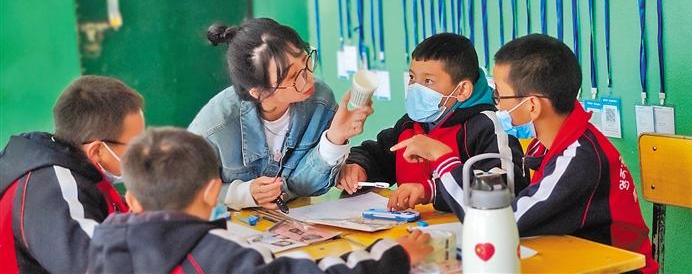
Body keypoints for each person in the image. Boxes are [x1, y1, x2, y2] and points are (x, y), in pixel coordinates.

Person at [392, 34, 658, 273]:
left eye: (499, 96)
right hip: (570, 257)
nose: (496, 105)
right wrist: (433, 190)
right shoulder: (551, 143)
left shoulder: (578, 158)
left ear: (532, 106)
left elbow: (498, 223)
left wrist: (443, 158)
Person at [87, 128, 433, 274]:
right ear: (211, 191)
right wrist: (394, 255)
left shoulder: (102, 247)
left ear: (132, 200)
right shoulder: (223, 255)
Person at [189, 18, 373, 210]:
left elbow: (303, 186)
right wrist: (241, 194)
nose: (308, 78)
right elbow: (183, 193)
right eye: (293, 77)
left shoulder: (320, 101)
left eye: (306, 61)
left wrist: (335, 139)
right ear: (258, 92)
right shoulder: (214, 125)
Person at [337, 33, 528, 212]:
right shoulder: (410, 123)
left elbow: (507, 186)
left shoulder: (487, 126)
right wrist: (358, 167)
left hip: (466, 230)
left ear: (462, 90)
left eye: (428, 81)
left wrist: (432, 190)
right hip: (413, 230)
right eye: (412, 78)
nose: (415, 88)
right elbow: (376, 154)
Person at [0, 76, 145, 274]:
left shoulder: (77, 169)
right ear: (97, 151)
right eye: (136, 145)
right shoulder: (53, 189)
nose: (144, 153)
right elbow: (99, 267)